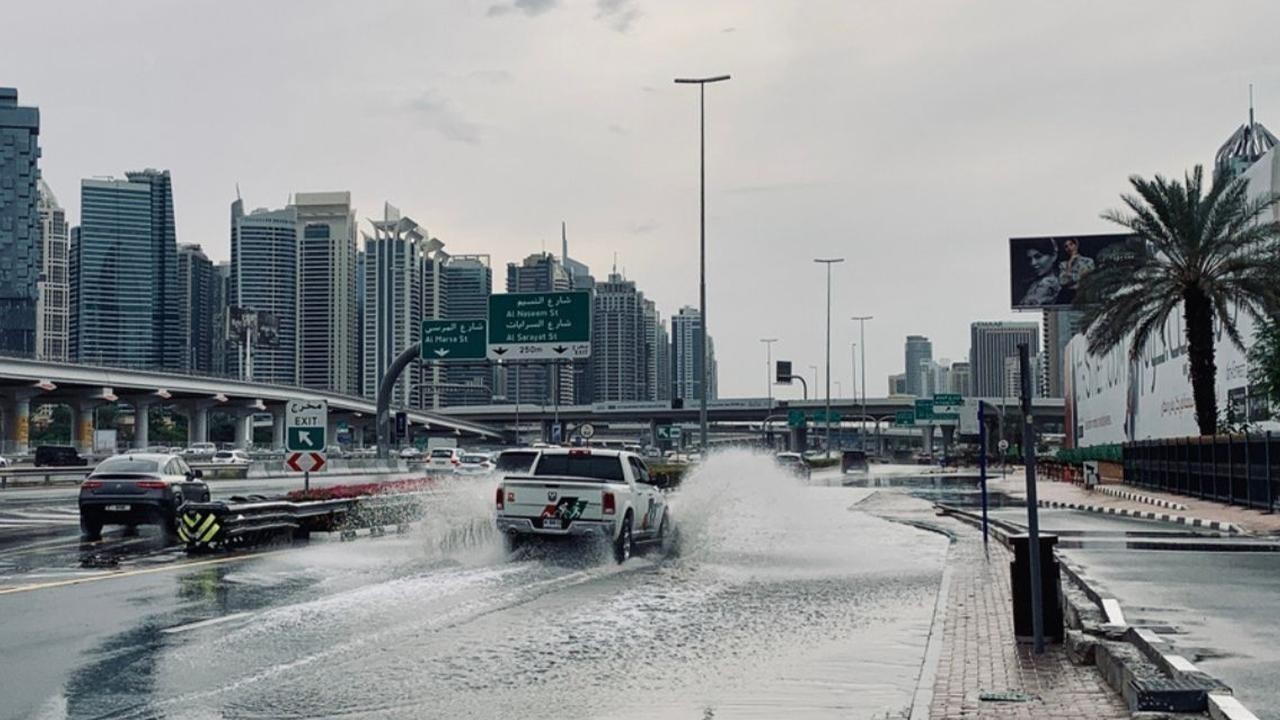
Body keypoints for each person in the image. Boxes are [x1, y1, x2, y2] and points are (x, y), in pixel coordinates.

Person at [1018, 238, 1060, 306]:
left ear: (1054, 256)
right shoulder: (1036, 281)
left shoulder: (1048, 283)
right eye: (1029, 259)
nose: (1033, 263)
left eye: (1038, 256)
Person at [1057, 237, 1095, 303]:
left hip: (1085, 293)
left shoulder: (1088, 261)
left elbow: (1088, 278)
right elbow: (1063, 281)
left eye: (1071, 244)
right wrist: (1069, 264)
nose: (1069, 248)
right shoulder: (1063, 264)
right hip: (1069, 295)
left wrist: (1071, 277)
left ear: (1076, 245)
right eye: (1066, 246)